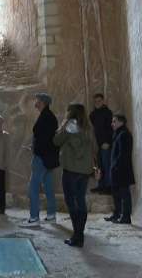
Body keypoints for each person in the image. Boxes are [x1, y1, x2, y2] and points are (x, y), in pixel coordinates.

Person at [54, 103, 97, 247]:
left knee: (70, 201)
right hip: (85, 171)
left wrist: (63, 126)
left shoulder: (68, 126)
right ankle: (79, 235)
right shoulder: (88, 129)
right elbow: (95, 148)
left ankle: (77, 234)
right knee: (80, 200)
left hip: (71, 169)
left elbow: (56, 141)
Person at [19, 92, 59, 227]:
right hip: (48, 158)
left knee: (32, 186)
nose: (34, 101)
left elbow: (45, 139)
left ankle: (34, 217)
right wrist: (34, 145)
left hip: (41, 157)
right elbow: (45, 138)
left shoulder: (46, 117)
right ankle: (51, 215)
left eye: (36, 99)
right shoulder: (49, 116)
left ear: (41, 102)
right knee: (48, 186)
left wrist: (36, 150)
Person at [105, 114, 136, 224]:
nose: (112, 124)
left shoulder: (124, 134)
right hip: (116, 169)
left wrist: (116, 165)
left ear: (121, 122)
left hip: (122, 170)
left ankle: (126, 217)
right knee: (116, 193)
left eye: (114, 121)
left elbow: (123, 153)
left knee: (124, 193)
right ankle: (117, 214)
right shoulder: (118, 134)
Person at [89, 93, 113, 194]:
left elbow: (110, 129)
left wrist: (107, 141)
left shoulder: (108, 113)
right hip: (97, 143)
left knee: (106, 164)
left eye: (99, 101)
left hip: (105, 143)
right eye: (95, 101)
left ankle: (108, 186)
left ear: (103, 101)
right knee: (99, 166)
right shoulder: (93, 115)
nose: (97, 103)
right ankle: (101, 185)